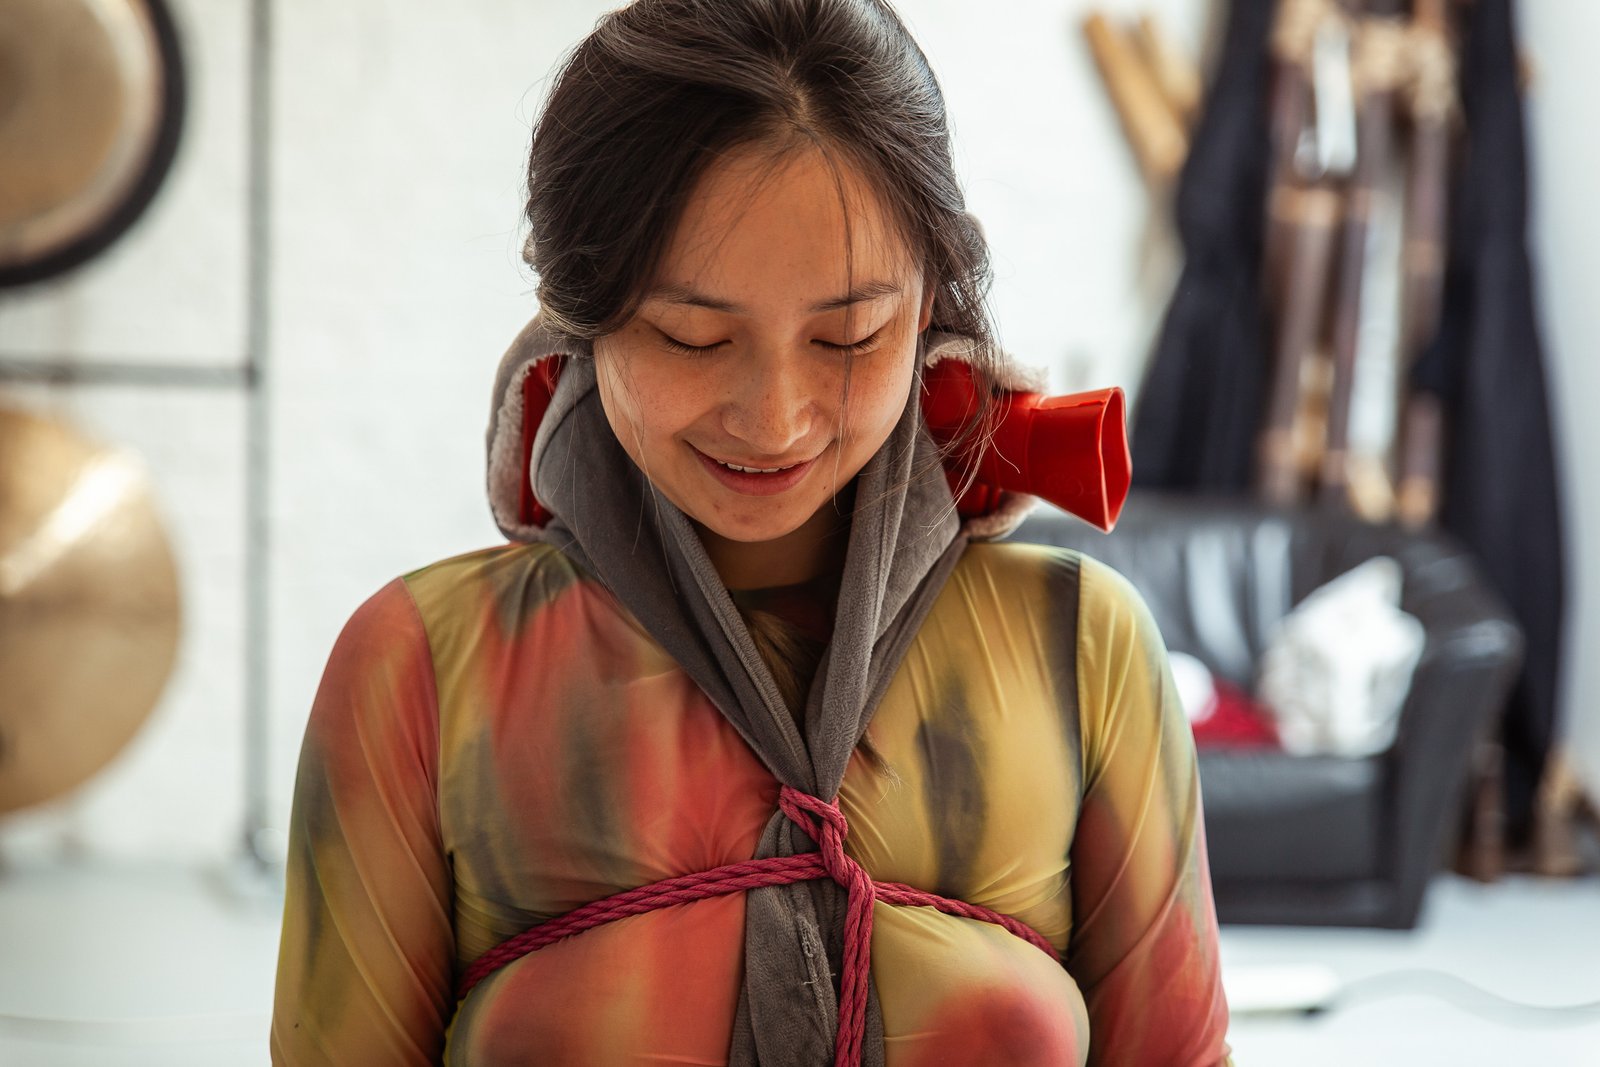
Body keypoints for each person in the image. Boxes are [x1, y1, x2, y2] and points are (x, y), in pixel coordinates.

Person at [270, 0, 1234, 1063]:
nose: (774, 420)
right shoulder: (425, 669)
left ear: (928, 305)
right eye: (692, 337)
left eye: (848, 335)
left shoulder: (1081, 653)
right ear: (577, 307)